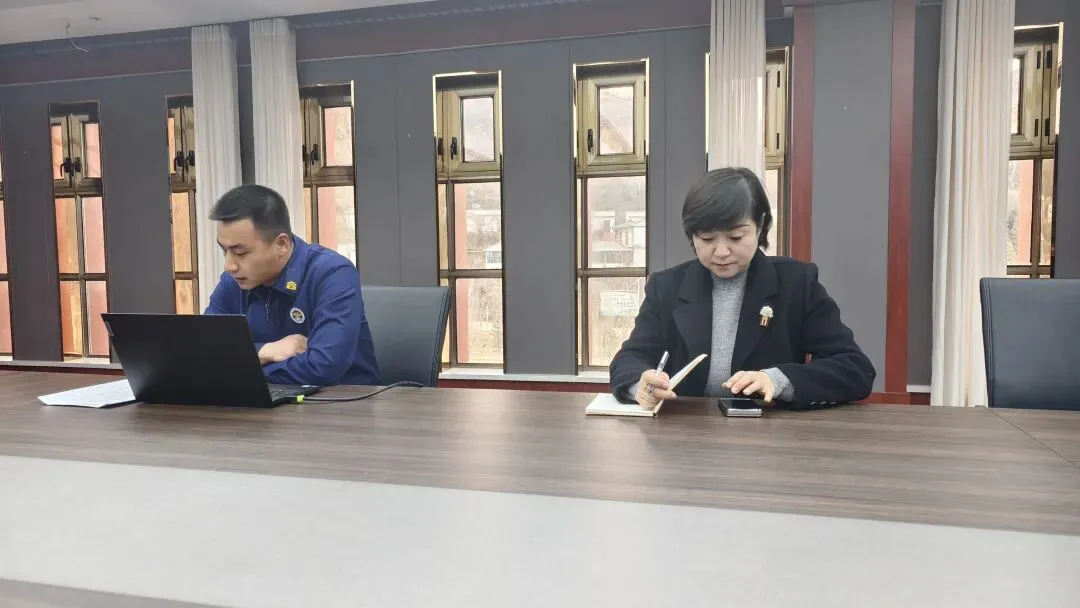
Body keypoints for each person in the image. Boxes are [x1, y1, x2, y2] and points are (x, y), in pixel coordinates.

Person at [609, 167, 875, 409]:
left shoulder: (796, 283)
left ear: (760, 226)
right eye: (707, 239)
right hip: (687, 435)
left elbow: (855, 368)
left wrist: (777, 380)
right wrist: (639, 385)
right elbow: (629, 359)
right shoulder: (666, 287)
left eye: (736, 237)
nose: (721, 251)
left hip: (770, 435)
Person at [204, 184, 380, 387]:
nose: (229, 265)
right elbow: (203, 352)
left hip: (343, 400)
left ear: (281, 244)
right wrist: (264, 352)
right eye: (224, 251)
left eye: (240, 253)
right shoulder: (233, 282)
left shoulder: (333, 274)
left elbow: (323, 367)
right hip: (263, 399)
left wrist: (241, 367)